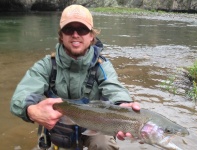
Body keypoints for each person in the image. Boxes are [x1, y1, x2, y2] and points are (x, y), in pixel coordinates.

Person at [10, 4, 140, 150]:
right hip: (58, 126)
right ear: (61, 35)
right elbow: (20, 97)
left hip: (96, 124)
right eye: (69, 29)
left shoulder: (102, 66)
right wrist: (31, 111)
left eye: (82, 29)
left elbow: (114, 88)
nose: (75, 34)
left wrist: (123, 105)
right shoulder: (46, 65)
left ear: (91, 36)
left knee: (104, 145)